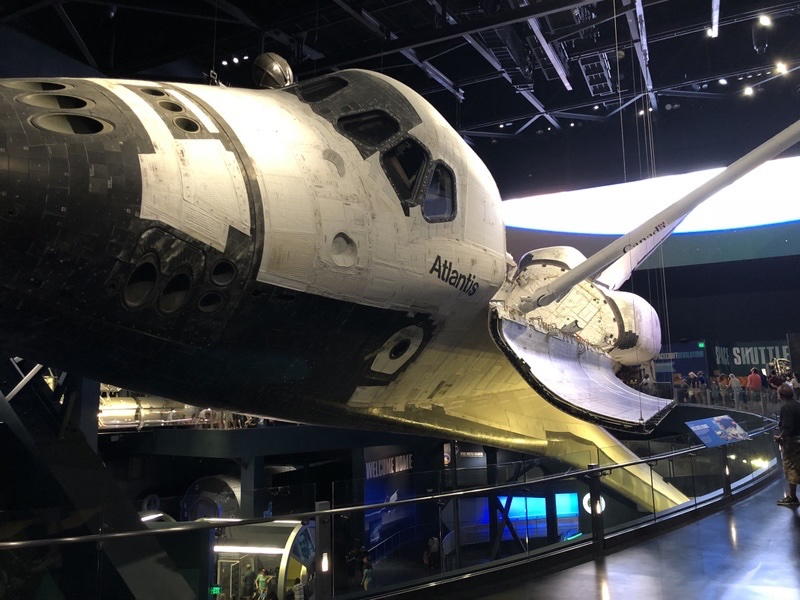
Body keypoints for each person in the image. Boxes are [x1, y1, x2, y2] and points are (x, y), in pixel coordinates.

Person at [775, 384, 800, 506]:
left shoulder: (786, 408)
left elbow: (787, 426)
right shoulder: (797, 404)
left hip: (792, 443)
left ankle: (792, 497)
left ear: (780, 395)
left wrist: (780, 437)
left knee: (790, 467)